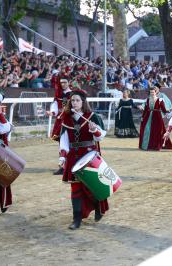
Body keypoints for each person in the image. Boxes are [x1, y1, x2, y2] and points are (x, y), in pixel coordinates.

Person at [59, 90, 109, 230]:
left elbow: (100, 137)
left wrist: (94, 130)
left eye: (77, 100)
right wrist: (62, 156)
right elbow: (64, 140)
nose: (74, 103)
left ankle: (98, 208)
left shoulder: (93, 117)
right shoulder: (67, 119)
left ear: (83, 102)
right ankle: (76, 219)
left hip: (89, 155)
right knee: (75, 188)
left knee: (92, 186)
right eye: (72, 100)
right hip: (73, 157)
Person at [47, 78, 73, 175]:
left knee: (71, 143)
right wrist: (52, 112)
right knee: (62, 143)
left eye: (65, 82)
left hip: (70, 121)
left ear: (68, 82)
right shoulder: (58, 94)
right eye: (61, 82)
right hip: (60, 120)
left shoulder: (73, 94)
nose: (62, 84)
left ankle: (71, 165)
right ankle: (63, 166)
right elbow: (55, 106)